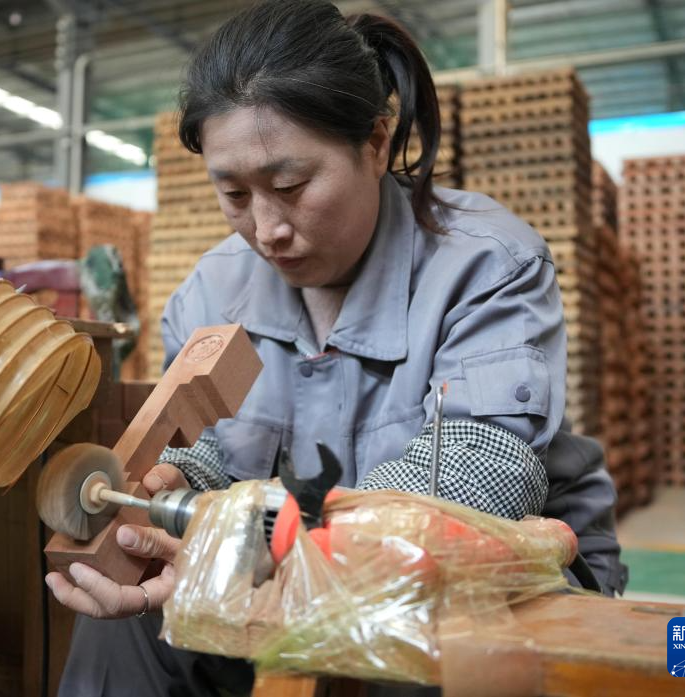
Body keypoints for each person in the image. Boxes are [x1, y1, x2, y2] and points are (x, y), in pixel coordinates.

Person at [46, 1, 628, 694]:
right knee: (130, 624)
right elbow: (206, 450)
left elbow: (481, 477)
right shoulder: (210, 293)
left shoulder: (485, 264)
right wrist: (177, 492)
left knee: (425, 645)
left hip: (478, 571)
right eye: (234, 194)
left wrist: (250, 548)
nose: (266, 228)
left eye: (290, 186)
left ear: (376, 143)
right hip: (273, 565)